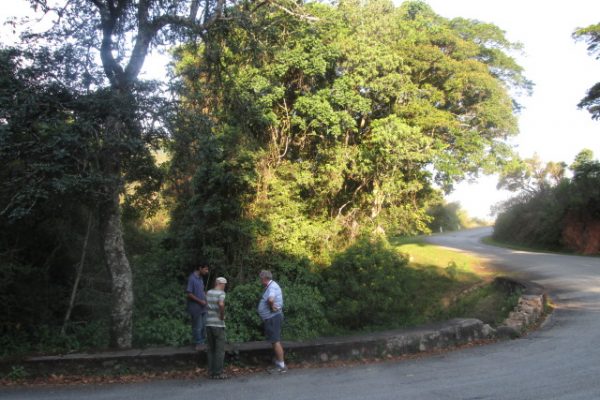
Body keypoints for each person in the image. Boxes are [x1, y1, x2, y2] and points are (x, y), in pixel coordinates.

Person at [257, 270, 287, 373]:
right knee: (274, 341)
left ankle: (282, 366)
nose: (260, 281)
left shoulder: (272, 287)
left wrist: (272, 306)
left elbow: (270, 299)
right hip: (272, 317)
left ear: (264, 278)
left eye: (261, 279)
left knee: (275, 341)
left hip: (273, 317)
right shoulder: (271, 286)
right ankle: (279, 363)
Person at [206, 277, 228, 379]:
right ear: (220, 283)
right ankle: (218, 373)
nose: (225, 286)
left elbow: (206, 305)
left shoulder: (209, 292)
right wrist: (222, 316)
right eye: (224, 284)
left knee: (211, 349)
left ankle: (211, 371)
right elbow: (221, 304)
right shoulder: (221, 293)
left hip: (208, 323)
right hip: (218, 324)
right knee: (219, 349)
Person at [186, 263, 209, 350]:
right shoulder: (192, 278)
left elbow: (201, 291)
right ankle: (198, 345)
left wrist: (206, 294)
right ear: (200, 268)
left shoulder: (201, 278)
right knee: (197, 327)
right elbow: (189, 294)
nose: (207, 271)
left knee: (204, 327)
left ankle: (202, 344)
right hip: (196, 308)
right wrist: (200, 301)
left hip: (203, 308)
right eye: (205, 269)